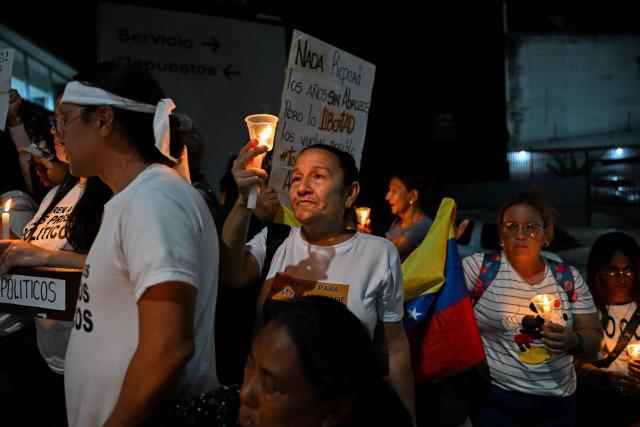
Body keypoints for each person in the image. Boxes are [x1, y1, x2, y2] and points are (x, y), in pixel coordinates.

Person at [48, 60, 219, 426]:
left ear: (104, 120)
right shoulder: (131, 199)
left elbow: (168, 347)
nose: (59, 135)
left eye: (65, 120)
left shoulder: (155, 199)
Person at [221, 142, 415, 420]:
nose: (302, 188)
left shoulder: (379, 253)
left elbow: (394, 348)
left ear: (350, 194)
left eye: (318, 176)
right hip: (269, 411)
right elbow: (230, 274)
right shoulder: (276, 240)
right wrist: (244, 200)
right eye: (296, 178)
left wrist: (408, 416)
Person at [1, 96, 113, 425]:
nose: (58, 133)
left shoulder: (109, 191)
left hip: (92, 361)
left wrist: (40, 255)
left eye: (66, 123)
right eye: (56, 124)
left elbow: (115, 264)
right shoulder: (54, 194)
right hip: (48, 355)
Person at [461, 192, 602, 426]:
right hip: (497, 401)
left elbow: (594, 335)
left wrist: (574, 341)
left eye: (531, 227)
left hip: (557, 406)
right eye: (511, 226)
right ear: (500, 233)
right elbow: (439, 291)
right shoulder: (480, 269)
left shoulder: (568, 278)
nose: (520, 235)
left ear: (546, 233)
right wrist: (442, 247)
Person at [574, 231, 640, 426]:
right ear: (598, 271)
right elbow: (571, 362)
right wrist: (601, 378)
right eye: (612, 271)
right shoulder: (585, 311)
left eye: (628, 270)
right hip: (597, 405)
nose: (621, 278)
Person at [384, 172, 432, 260]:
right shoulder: (397, 222)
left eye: (394, 191)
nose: (387, 197)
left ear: (413, 195)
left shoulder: (423, 225)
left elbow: (391, 253)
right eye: (389, 190)